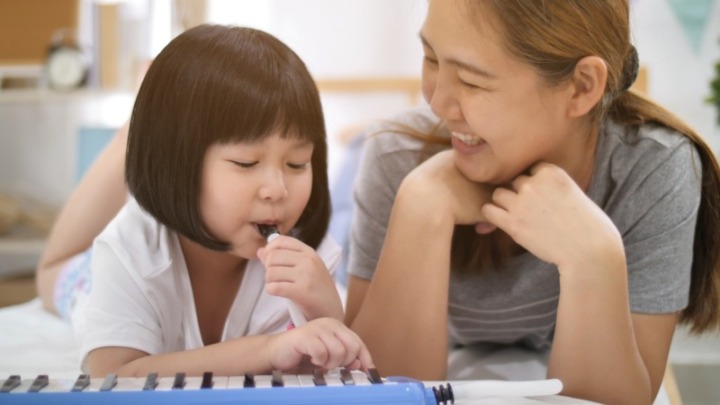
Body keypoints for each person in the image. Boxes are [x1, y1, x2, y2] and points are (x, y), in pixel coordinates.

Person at [344, 1, 720, 404]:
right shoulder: (394, 156)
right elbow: (377, 393)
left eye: (472, 82)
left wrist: (593, 258)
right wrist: (420, 207)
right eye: (431, 58)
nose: (437, 103)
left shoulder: (654, 168)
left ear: (581, 87)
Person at [37, 24, 373, 378]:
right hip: (90, 276)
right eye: (246, 163)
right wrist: (267, 350)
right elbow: (113, 375)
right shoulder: (128, 250)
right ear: (177, 162)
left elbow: (320, 368)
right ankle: (133, 130)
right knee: (53, 272)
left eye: (296, 164)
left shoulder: (308, 258)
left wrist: (327, 313)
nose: (277, 189)